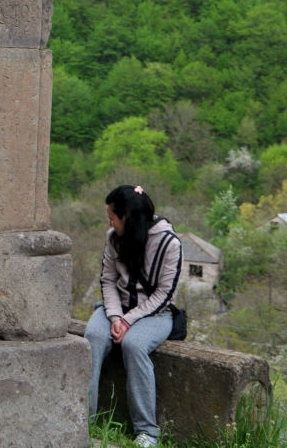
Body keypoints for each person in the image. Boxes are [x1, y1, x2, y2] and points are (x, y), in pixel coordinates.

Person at [85, 184, 182, 447]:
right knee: (92, 336)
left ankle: (147, 431)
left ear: (127, 217)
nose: (109, 221)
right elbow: (108, 280)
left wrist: (129, 321)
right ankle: (84, 420)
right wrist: (116, 317)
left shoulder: (169, 243)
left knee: (134, 344)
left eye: (112, 216)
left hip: (155, 314)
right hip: (117, 308)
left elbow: (165, 293)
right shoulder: (113, 238)